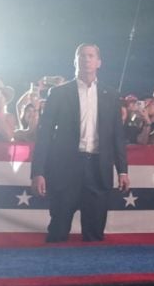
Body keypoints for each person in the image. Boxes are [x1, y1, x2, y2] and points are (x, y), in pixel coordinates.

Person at [30, 44, 130, 242]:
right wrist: (38, 172)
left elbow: (117, 136)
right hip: (65, 169)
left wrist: (123, 171)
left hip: (98, 169)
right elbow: (44, 136)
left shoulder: (111, 95)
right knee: (58, 231)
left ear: (99, 62)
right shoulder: (58, 93)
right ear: (75, 61)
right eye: (82, 55)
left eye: (91, 56)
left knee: (94, 235)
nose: (86, 59)